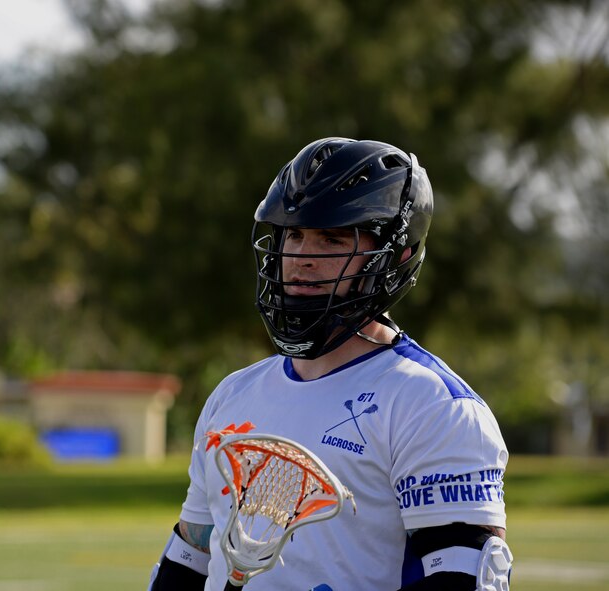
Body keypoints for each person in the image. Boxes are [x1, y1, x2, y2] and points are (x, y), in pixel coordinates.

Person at [148, 138, 512, 590]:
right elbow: (189, 556)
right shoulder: (233, 394)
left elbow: (458, 577)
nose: (300, 258)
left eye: (332, 238)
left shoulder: (433, 406)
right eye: (293, 234)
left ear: (393, 256)